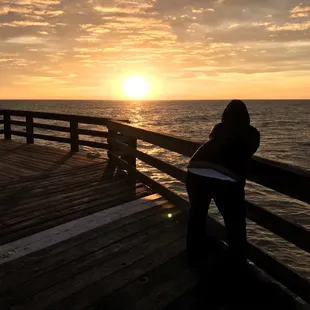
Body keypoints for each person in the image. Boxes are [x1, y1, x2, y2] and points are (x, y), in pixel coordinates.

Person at [186, 99, 260, 271]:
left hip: (195, 170)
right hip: (227, 178)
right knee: (235, 223)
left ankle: (195, 256)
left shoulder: (217, 132)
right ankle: (237, 264)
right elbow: (249, 150)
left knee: (196, 216)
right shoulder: (251, 134)